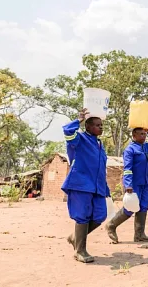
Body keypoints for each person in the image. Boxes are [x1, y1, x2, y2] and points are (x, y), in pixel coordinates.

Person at [62, 108, 111, 263]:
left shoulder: (99, 144)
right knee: (82, 216)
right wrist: (79, 120)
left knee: (100, 216)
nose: (100, 127)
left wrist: (106, 188)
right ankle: (80, 251)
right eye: (97, 125)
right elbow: (68, 132)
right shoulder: (80, 139)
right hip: (81, 184)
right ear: (88, 127)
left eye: (101, 125)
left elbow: (101, 168)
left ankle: (75, 237)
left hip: (97, 187)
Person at [105, 127, 148, 243]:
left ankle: (139, 235)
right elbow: (127, 169)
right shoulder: (130, 150)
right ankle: (111, 225)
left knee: (143, 207)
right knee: (130, 208)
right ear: (134, 136)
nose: (143, 136)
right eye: (141, 134)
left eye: (144, 134)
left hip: (145, 183)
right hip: (134, 184)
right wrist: (128, 185)